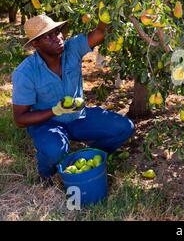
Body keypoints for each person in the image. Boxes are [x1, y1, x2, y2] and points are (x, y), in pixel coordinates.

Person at [12, 14, 134, 185]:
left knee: (124, 127)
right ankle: (46, 174)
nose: (58, 38)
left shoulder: (72, 48)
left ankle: (88, 156)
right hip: (47, 124)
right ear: (35, 44)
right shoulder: (26, 73)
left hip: (78, 117)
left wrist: (106, 10)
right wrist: (55, 111)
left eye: (57, 31)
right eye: (49, 36)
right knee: (55, 150)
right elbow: (20, 119)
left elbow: (99, 32)